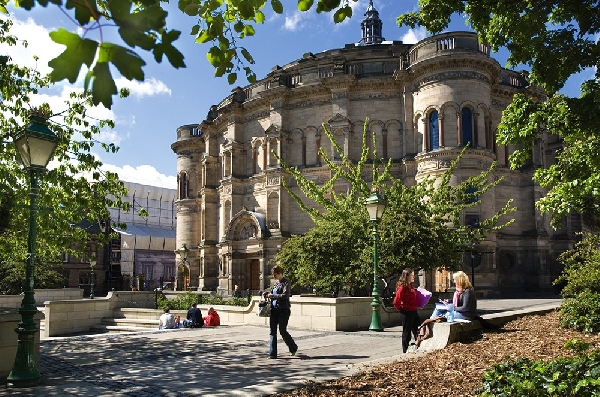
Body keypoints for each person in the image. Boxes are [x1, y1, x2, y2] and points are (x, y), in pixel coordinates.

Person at [263, 264, 297, 359]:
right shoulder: (276, 283)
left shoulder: (286, 282)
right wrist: (266, 293)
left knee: (282, 331)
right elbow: (272, 292)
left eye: (275, 275)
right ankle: (272, 354)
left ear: (280, 273)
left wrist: (273, 296)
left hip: (283, 310)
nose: (274, 277)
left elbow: (285, 295)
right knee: (272, 332)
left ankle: (293, 347)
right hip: (274, 310)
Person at [393, 268, 420, 353]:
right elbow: (396, 301)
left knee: (417, 329)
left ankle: (418, 345)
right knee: (407, 332)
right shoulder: (402, 287)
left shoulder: (410, 286)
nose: (413, 277)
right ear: (407, 276)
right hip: (406, 312)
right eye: (412, 275)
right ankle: (405, 350)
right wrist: (401, 308)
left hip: (414, 311)